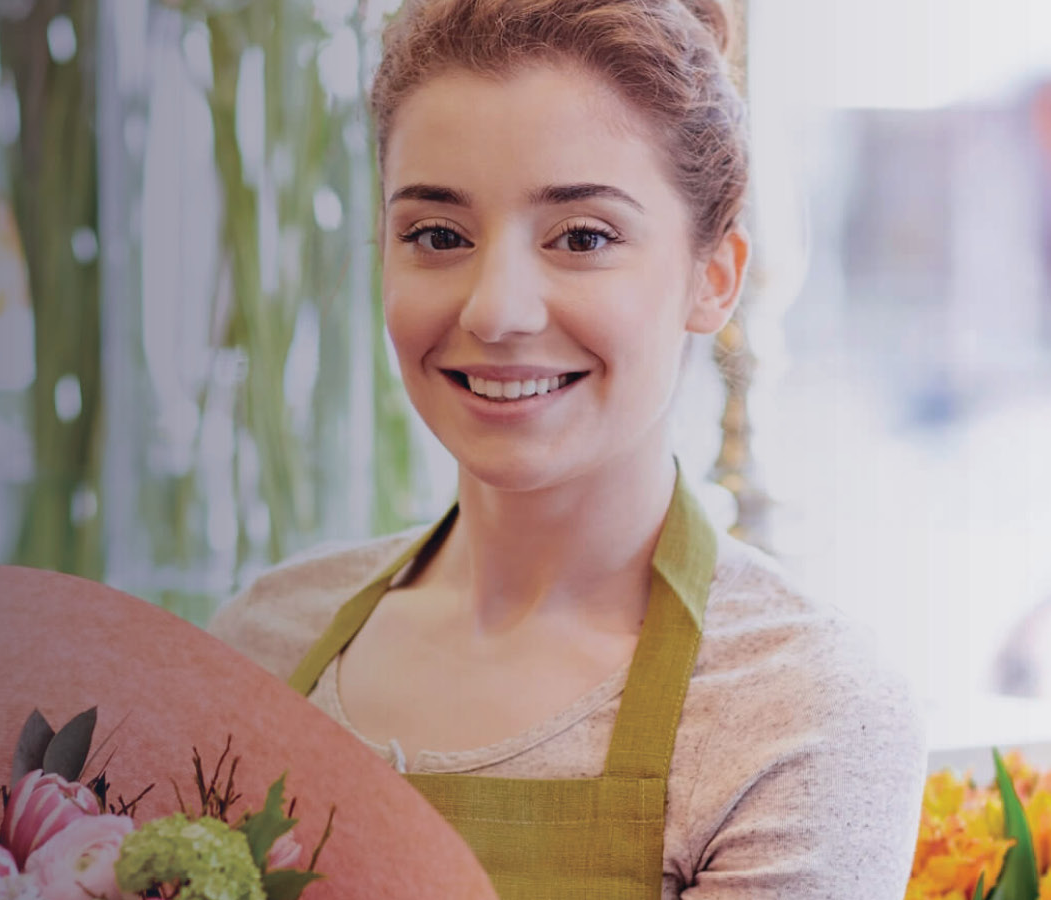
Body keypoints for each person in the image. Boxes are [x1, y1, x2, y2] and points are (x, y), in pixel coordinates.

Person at [206, 0, 924, 895]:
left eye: (583, 237)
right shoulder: (263, 643)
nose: (496, 310)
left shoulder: (793, 704)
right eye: (438, 236)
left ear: (716, 278)